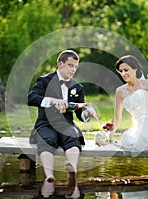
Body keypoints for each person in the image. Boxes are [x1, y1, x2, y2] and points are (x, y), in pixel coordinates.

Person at [27, 50, 96, 189]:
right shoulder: (44, 80)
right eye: (70, 65)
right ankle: (49, 176)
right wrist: (52, 101)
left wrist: (86, 114)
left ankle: (72, 170)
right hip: (45, 124)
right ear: (60, 64)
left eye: (75, 67)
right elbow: (30, 98)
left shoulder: (77, 87)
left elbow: (79, 111)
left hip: (66, 124)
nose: (73, 70)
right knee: (46, 140)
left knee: (72, 139)